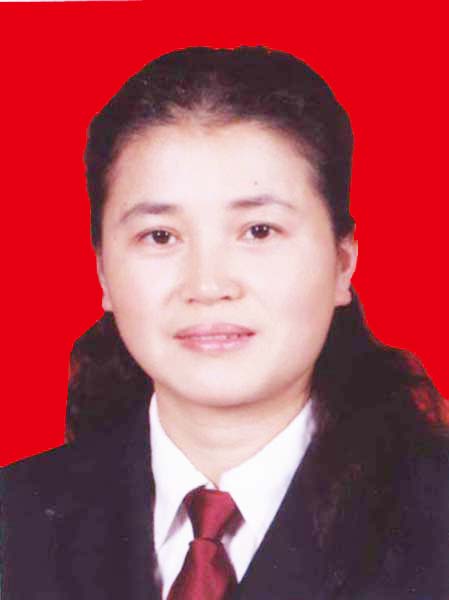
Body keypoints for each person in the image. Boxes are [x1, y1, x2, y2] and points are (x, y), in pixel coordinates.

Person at [1, 46, 448, 600]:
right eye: (160, 236)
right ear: (102, 274)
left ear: (343, 262)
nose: (208, 285)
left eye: (259, 231)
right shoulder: (14, 521)